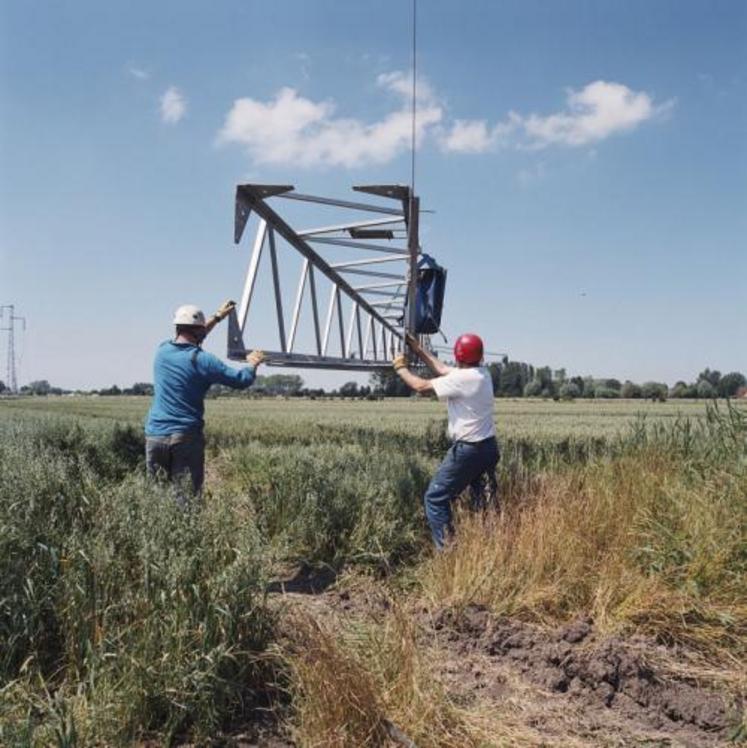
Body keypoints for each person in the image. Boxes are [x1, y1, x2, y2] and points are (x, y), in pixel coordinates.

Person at [145, 301, 265, 502]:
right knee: (187, 500)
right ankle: (186, 533)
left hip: (155, 437)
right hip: (184, 438)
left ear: (176, 328)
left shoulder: (162, 350)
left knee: (157, 500)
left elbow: (190, 337)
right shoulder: (203, 360)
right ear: (199, 331)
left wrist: (217, 317)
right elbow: (241, 380)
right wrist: (252, 364)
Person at [393, 332, 498, 549]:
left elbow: (421, 387)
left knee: (435, 498)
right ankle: (487, 548)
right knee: (481, 502)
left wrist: (400, 368)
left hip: (469, 450)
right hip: (488, 447)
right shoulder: (482, 373)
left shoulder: (462, 379)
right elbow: (441, 369)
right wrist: (418, 349)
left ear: (458, 356)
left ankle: (449, 552)